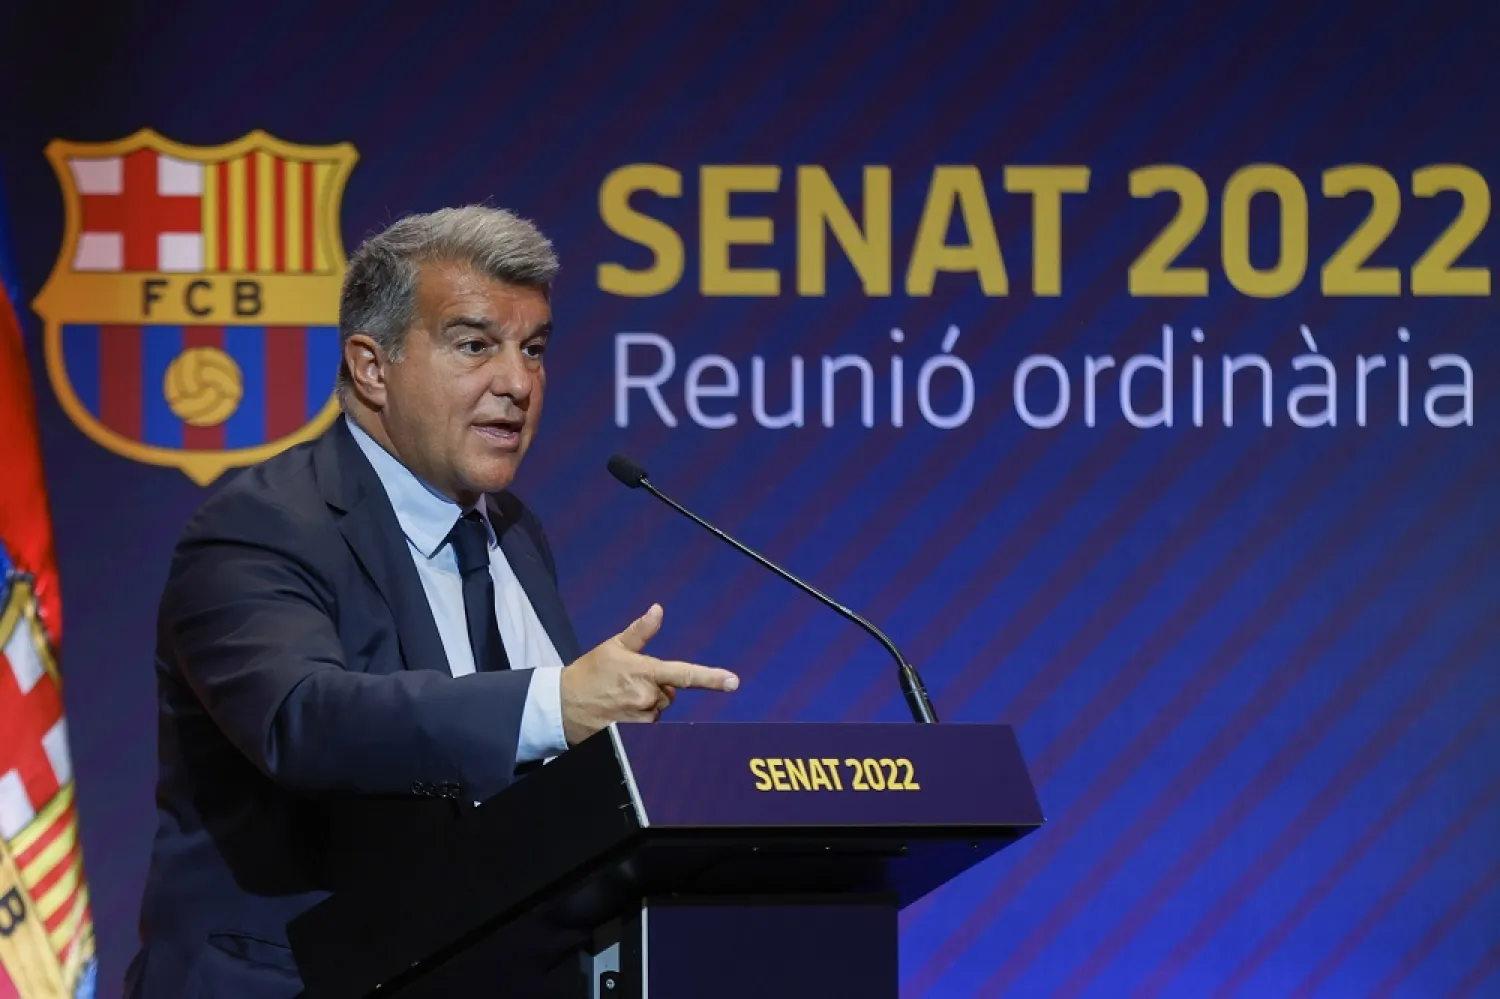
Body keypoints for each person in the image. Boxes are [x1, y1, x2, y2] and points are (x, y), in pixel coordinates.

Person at [122, 205, 739, 998]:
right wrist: (555, 705)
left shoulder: (512, 531)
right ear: (372, 368)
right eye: (475, 344)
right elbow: (303, 720)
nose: (517, 383)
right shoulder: (260, 526)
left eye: (534, 349)